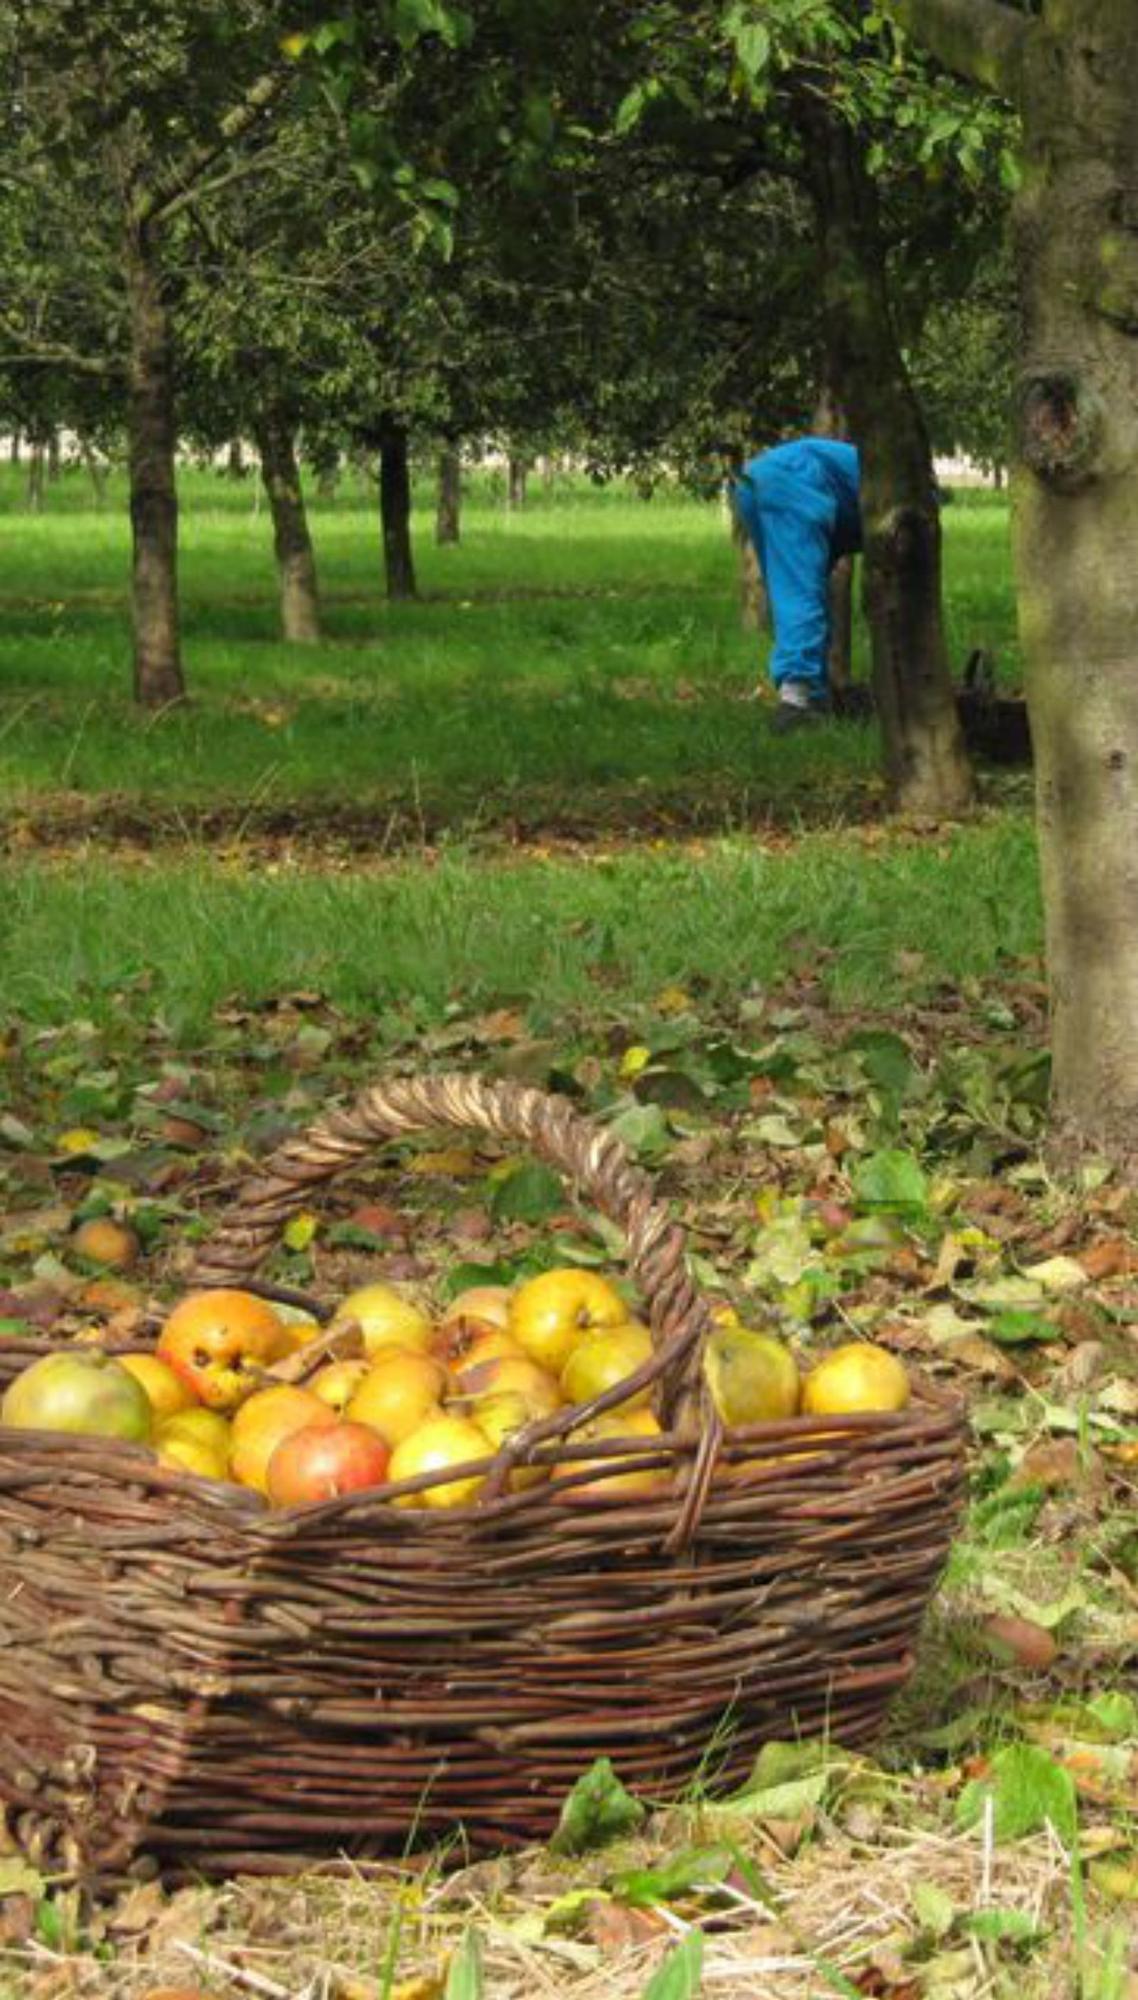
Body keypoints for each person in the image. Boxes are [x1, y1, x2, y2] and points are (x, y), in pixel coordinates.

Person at [732, 436, 861, 732]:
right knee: (799, 590)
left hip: (755, 480)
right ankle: (796, 702)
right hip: (795, 479)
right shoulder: (906, 495)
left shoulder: (876, 471)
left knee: (790, 589)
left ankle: (814, 695)